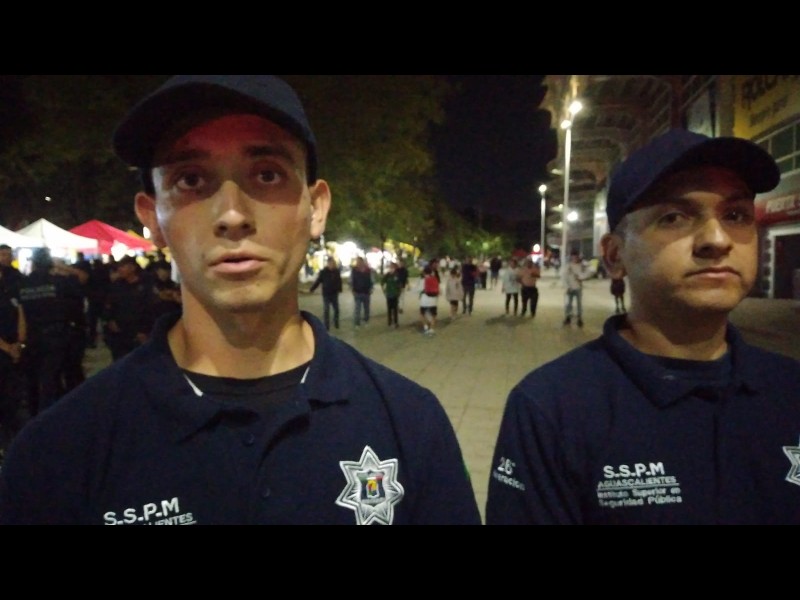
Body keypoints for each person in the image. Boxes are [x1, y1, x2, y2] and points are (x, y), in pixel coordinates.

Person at [0, 74, 480, 525]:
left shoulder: (410, 423)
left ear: (316, 208)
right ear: (153, 218)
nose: (232, 215)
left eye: (267, 174)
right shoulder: (59, 452)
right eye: (191, 180)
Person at [486, 128, 800, 525]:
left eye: (735, 215)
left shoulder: (790, 389)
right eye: (674, 218)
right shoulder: (552, 407)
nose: (716, 239)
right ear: (615, 256)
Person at [102, 255, 157, 361]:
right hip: (120, 333)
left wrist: (144, 330)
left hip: (139, 332)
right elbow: (109, 304)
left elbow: (150, 309)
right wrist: (110, 320)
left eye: (123, 267)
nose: (120, 270)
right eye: (119, 267)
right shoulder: (117, 285)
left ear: (132, 268)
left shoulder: (145, 285)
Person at [309, 256, 342, 331]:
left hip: (334, 293)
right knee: (326, 310)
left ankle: (336, 323)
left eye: (333, 263)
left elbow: (339, 280)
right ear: (328, 263)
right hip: (326, 294)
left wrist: (339, 289)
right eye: (331, 263)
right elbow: (318, 281)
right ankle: (326, 326)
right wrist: (312, 289)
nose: (332, 265)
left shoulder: (336, 271)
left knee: (336, 309)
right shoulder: (324, 272)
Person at [562, 250, 587, 327]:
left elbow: (588, 272)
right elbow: (564, 277)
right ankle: (568, 317)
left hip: (578, 287)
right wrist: (567, 286)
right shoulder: (568, 266)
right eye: (573, 257)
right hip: (570, 288)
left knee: (579, 304)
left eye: (576, 256)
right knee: (569, 304)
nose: (575, 258)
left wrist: (581, 278)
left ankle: (579, 318)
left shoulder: (581, 265)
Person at [414, 265, 439, 335]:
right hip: (433, 300)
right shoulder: (434, 279)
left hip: (424, 300)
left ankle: (425, 327)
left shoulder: (423, 280)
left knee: (422, 314)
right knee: (433, 315)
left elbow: (418, 289)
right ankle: (432, 329)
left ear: (424, 272)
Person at [350, 256, 373, 329]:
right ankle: (357, 323)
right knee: (357, 309)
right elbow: (351, 280)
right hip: (357, 292)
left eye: (360, 262)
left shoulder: (368, 270)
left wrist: (371, 288)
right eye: (357, 262)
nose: (358, 263)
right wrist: (352, 289)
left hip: (366, 292)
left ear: (362, 262)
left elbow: (371, 280)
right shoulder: (354, 270)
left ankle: (366, 321)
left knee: (366, 308)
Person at [380, 261, 401, 328]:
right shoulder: (387, 275)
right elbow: (382, 283)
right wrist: (384, 291)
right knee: (389, 309)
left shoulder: (397, 275)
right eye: (390, 267)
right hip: (389, 294)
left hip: (395, 294)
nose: (391, 268)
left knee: (395, 309)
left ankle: (396, 322)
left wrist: (399, 292)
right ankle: (389, 322)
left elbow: (399, 284)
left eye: (392, 267)